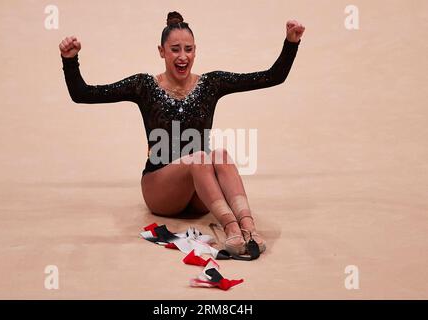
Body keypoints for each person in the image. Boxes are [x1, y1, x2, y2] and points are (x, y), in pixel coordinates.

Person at [59, 11, 305, 256]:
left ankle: (249, 228)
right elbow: (84, 94)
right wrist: (70, 60)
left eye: (188, 49)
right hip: (161, 189)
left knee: (219, 154)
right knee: (199, 157)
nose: (182, 56)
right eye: (175, 49)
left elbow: (271, 77)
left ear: (195, 51)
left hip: (200, 192)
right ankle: (231, 229)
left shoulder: (211, 84)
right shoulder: (144, 86)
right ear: (161, 51)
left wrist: (291, 43)